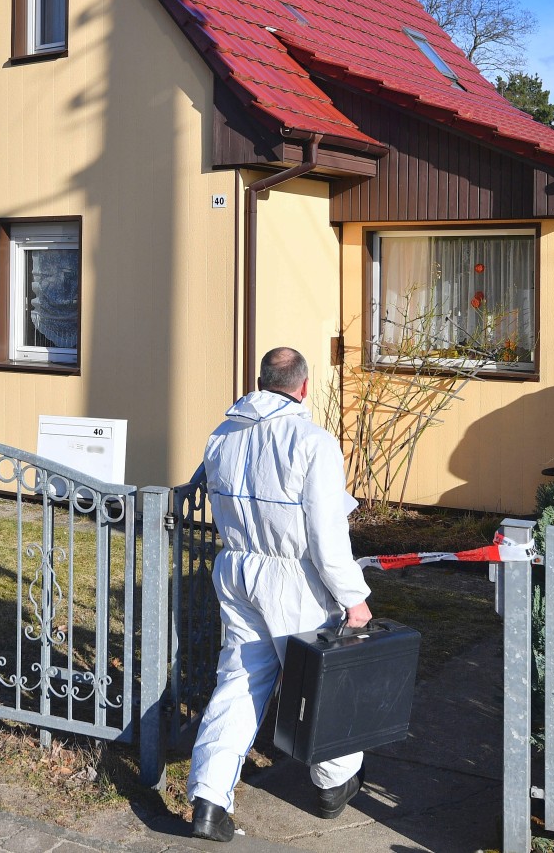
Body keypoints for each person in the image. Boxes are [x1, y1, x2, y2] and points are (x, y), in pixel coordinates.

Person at [188, 347, 373, 843]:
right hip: (294, 578)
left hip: (236, 566)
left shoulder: (222, 435)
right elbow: (327, 537)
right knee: (317, 679)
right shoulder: (313, 442)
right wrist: (354, 597)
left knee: (240, 681)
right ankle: (334, 785)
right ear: (305, 386)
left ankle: (208, 798)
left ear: (260, 380)